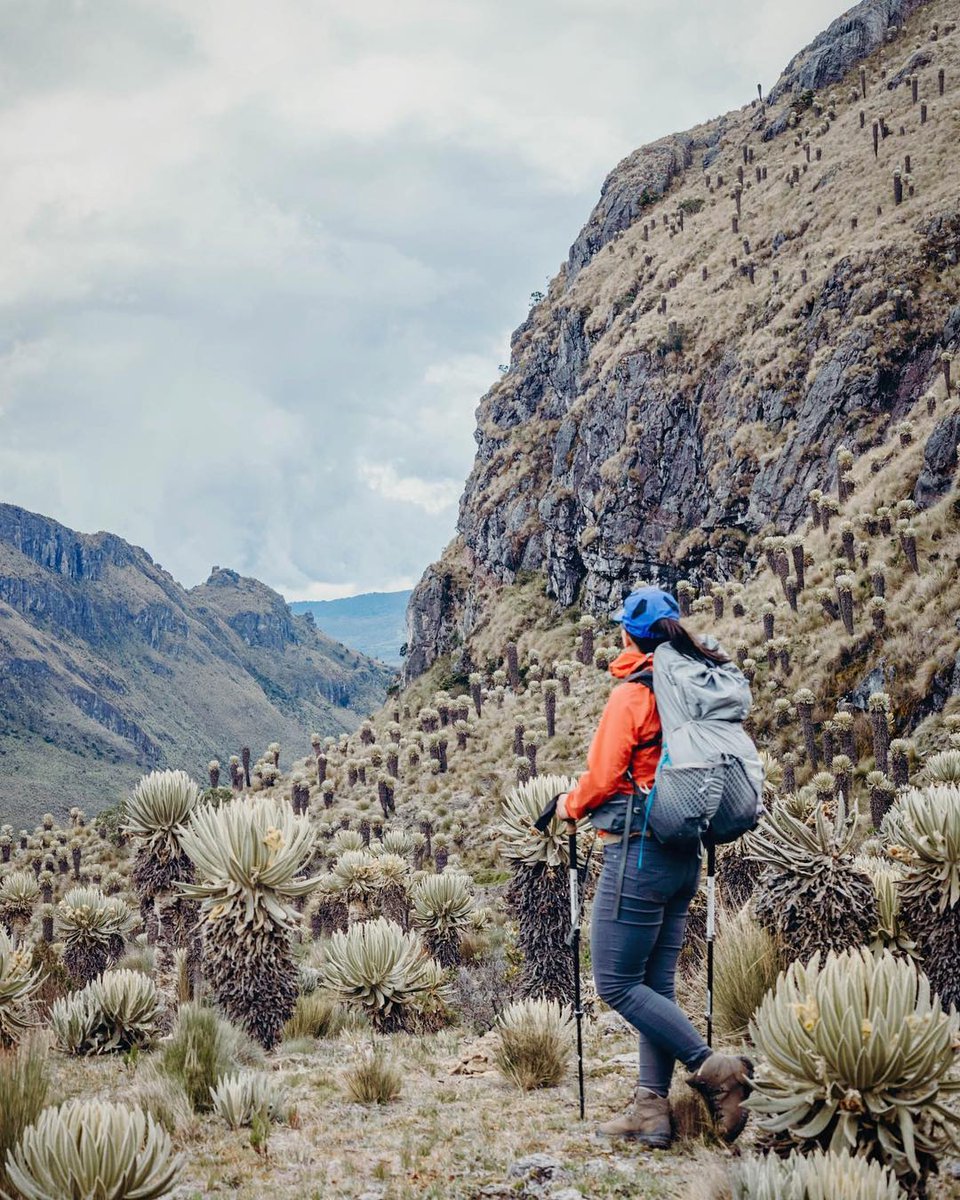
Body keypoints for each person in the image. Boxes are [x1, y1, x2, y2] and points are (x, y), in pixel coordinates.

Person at [556, 586, 752, 1148]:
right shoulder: (689, 687)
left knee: (617, 983)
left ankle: (716, 1071)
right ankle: (651, 1111)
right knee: (656, 986)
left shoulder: (632, 697)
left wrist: (566, 808)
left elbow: (599, 780)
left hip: (636, 854)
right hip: (683, 854)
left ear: (628, 635)